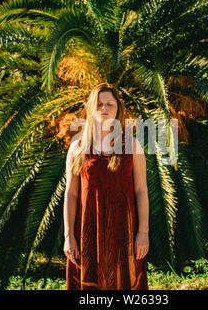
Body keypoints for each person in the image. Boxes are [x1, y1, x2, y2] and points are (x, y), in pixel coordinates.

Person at [63, 82, 149, 290]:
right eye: (99, 104)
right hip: (87, 233)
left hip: (125, 234)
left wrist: (143, 232)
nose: (104, 108)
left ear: (118, 108)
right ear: (91, 108)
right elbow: (71, 194)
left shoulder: (132, 146)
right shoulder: (78, 147)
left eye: (110, 104)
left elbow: (141, 191)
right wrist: (69, 236)